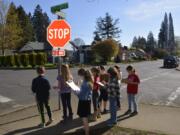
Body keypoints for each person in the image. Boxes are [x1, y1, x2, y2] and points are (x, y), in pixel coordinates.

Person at [77, 69, 93, 135]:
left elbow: (80, 95)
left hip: (83, 102)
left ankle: (87, 132)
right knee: (85, 118)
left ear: (84, 75)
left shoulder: (85, 84)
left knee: (84, 119)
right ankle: (86, 129)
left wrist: (75, 90)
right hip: (87, 101)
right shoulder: (89, 82)